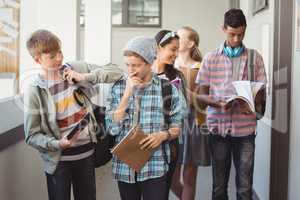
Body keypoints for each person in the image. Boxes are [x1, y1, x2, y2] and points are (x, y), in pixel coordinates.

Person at [24, 29, 123, 200]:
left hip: (87, 155)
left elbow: (117, 72)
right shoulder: (35, 90)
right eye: (52, 56)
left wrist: (84, 76)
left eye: (60, 52)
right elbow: (31, 135)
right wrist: (57, 143)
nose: (59, 59)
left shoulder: (75, 67)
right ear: (37, 59)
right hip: (58, 161)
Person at [196, 9, 267, 200]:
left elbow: (262, 92)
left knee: (245, 187)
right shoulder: (210, 58)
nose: (236, 39)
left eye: (241, 34)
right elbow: (201, 96)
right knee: (219, 186)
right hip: (218, 129)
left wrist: (252, 102)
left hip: (245, 132)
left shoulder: (255, 58)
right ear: (223, 29)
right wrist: (216, 102)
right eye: (232, 34)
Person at [105, 36, 186, 200]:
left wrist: (163, 135)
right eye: (127, 65)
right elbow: (112, 128)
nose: (130, 70)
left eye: (135, 65)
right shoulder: (118, 88)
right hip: (125, 166)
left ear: (150, 63)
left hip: (155, 166)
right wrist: (127, 94)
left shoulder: (168, 89)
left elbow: (178, 127)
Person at [171, 26, 211, 200]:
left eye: (179, 37)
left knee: (189, 179)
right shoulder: (168, 66)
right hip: (172, 127)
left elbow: (204, 101)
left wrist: (187, 94)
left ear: (191, 43)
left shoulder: (202, 68)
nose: (175, 39)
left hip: (195, 126)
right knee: (170, 177)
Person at [153, 29, 188, 199]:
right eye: (172, 49)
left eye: (177, 50)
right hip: (142, 140)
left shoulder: (176, 77)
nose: (175, 54)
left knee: (162, 191)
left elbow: (183, 111)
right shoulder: (143, 73)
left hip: (169, 143)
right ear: (159, 47)